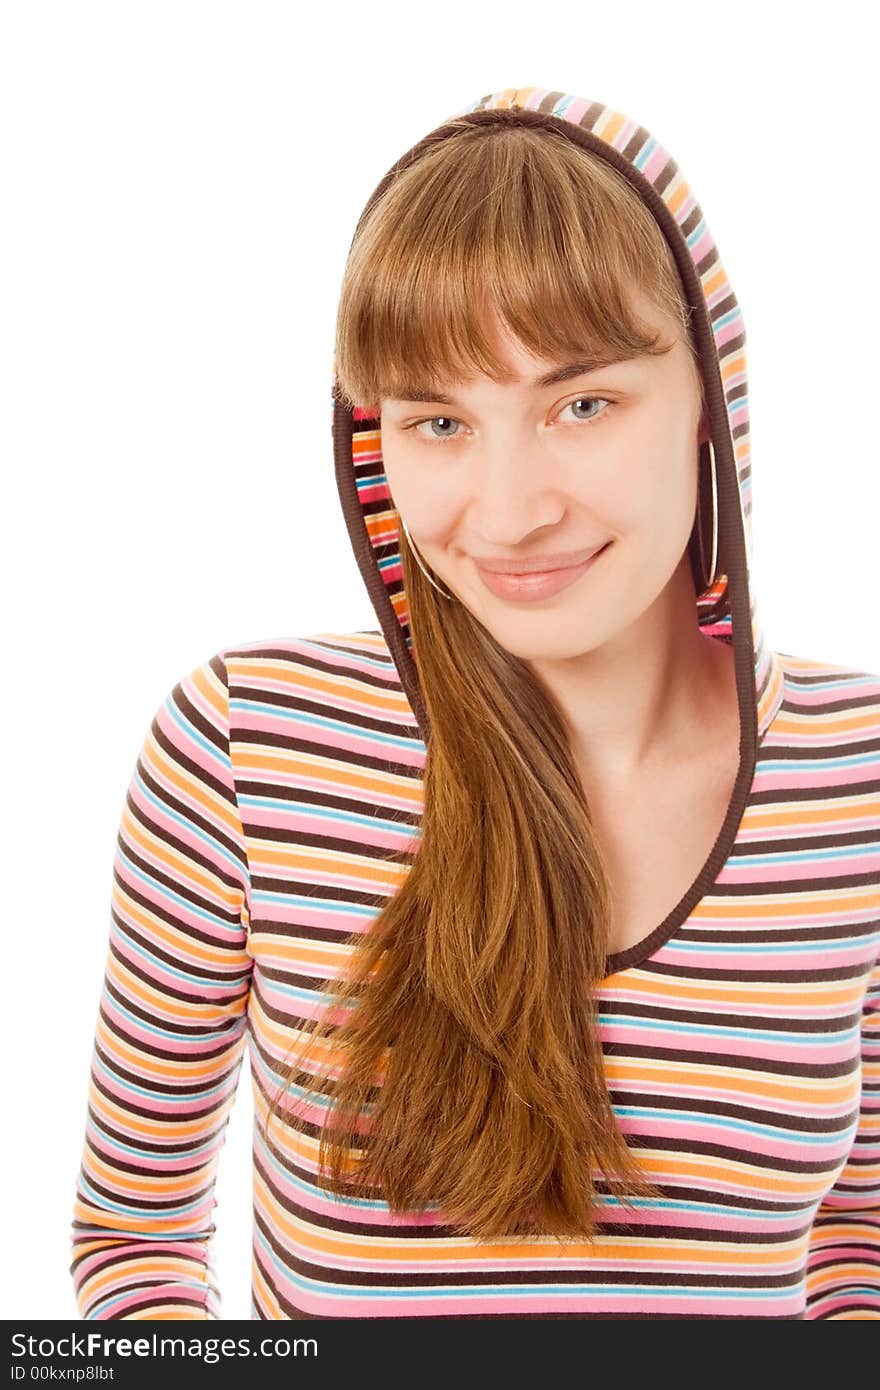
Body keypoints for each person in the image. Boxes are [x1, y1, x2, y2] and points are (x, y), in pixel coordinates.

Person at [69, 84, 880, 1321]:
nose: (506, 513)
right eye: (439, 420)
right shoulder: (245, 745)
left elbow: (857, 1240)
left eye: (582, 403)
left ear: (711, 400)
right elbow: (135, 1230)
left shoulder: (856, 774)